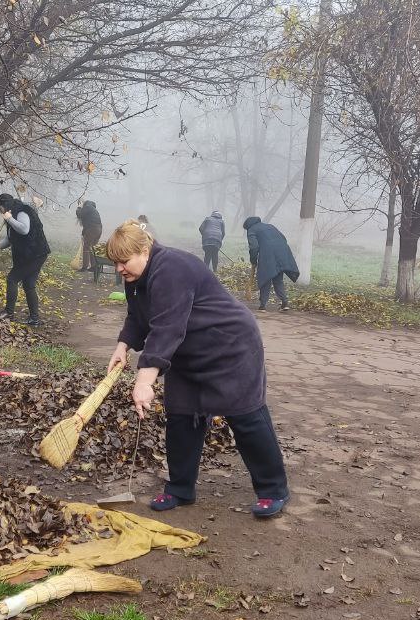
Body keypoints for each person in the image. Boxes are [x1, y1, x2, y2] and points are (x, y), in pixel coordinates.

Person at [105, 220, 289, 518]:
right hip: (188, 350)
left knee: (245, 416)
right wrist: (123, 346)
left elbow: (166, 327)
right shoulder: (136, 278)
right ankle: (180, 488)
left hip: (229, 345)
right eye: (115, 263)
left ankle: (273, 489)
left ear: (145, 250)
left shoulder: (172, 269)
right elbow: (138, 317)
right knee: (181, 416)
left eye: (124, 261)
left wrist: (144, 380)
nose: (119, 269)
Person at [0, 192, 50, 325]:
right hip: (30, 255)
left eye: (0, 208)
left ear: (6, 206)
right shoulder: (11, 215)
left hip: (35, 254)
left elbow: (24, 229)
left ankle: (9, 313)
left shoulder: (22, 212)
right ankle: (34, 319)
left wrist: (9, 218)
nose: (0, 211)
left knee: (12, 279)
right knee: (29, 285)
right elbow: (11, 238)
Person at [243, 216, 299, 311]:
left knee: (265, 277)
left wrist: (253, 260)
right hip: (282, 253)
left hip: (268, 255)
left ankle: (263, 305)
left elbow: (254, 247)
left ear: (248, 226)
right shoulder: (270, 226)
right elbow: (283, 238)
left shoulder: (251, 230)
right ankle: (285, 302)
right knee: (278, 278)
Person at [75, 200, 103, 272]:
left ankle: (84, 267)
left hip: (92, 229)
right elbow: (88, 223)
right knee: (92, 247)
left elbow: (79, 214)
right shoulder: (93, 210)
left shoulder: (88, 207)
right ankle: (94, 266)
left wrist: (79, 207)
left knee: (86, 247)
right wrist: (83, 233)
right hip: (98, 230)